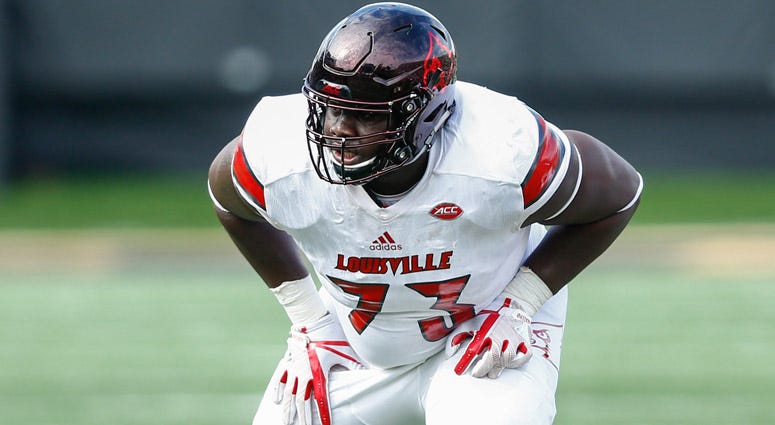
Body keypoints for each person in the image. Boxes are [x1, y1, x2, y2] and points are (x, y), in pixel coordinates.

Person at [208, 2, 642, 424]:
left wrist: (522, 302)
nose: (337, 129)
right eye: (330, 108)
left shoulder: (500, 151)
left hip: (483, 334)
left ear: (425, 117)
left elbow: (620, 195)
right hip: (352, 344)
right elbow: (230, 203)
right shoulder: (279, 153)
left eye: (364, 117)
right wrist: (308, 320)